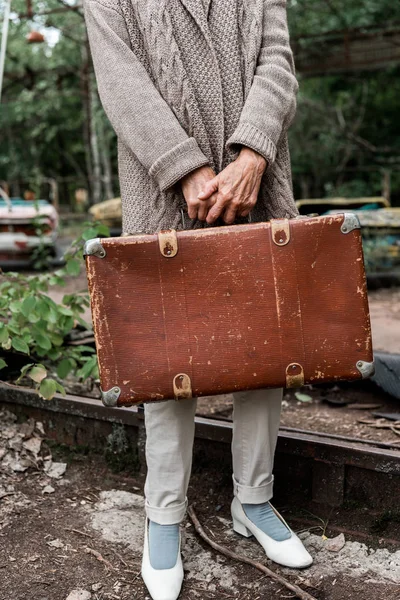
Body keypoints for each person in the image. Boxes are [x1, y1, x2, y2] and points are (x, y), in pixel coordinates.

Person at [84, 1, 312, 598]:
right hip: (162, 193)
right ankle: (164, 516)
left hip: (259, 184)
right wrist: (184, 168)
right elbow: (121, 81)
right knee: (167, 356)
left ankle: (254, 501)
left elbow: (278, 63)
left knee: (265, 348)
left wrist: (254, 153)